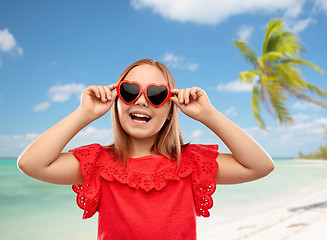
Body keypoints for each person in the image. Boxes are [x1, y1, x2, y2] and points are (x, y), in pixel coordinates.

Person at [18, 59, 275, 240]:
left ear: (170, 110)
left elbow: (260, 166)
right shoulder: (98, 163)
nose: (141, 99)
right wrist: (83, 114)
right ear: (116, 100)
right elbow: (31, 163)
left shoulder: (190, 163)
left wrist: (208, 114)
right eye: (129, 91)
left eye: (156, 95)